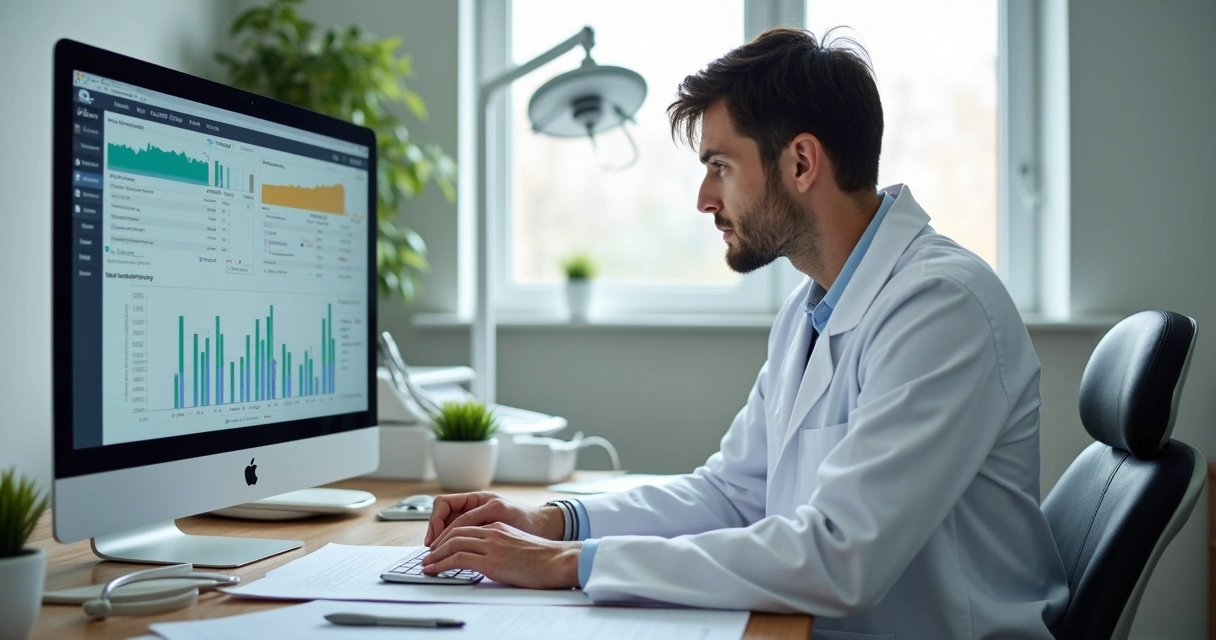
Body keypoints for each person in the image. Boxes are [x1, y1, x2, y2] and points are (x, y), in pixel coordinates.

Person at [420, 27, 1069, 639]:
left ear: (802, 162)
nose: (705, 198)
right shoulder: (810, 309)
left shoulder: (940, 307)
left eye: (721, 165)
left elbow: (842, 559)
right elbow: (733, 493)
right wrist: (554, 522)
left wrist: (569, 564)